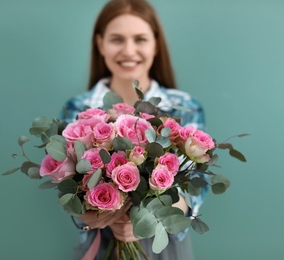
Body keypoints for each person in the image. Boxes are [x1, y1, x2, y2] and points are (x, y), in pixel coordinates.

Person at [61, 0, 207, 259]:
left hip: (165, 244)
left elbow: (197, 186)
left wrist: (147, 216)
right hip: (100, 243)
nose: (129, 51)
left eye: (140, 39)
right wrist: (104, 214)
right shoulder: (78, 108)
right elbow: (66, 185)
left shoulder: (184, 107)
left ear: (155, 44)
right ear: (100, 44)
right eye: (117, 39)